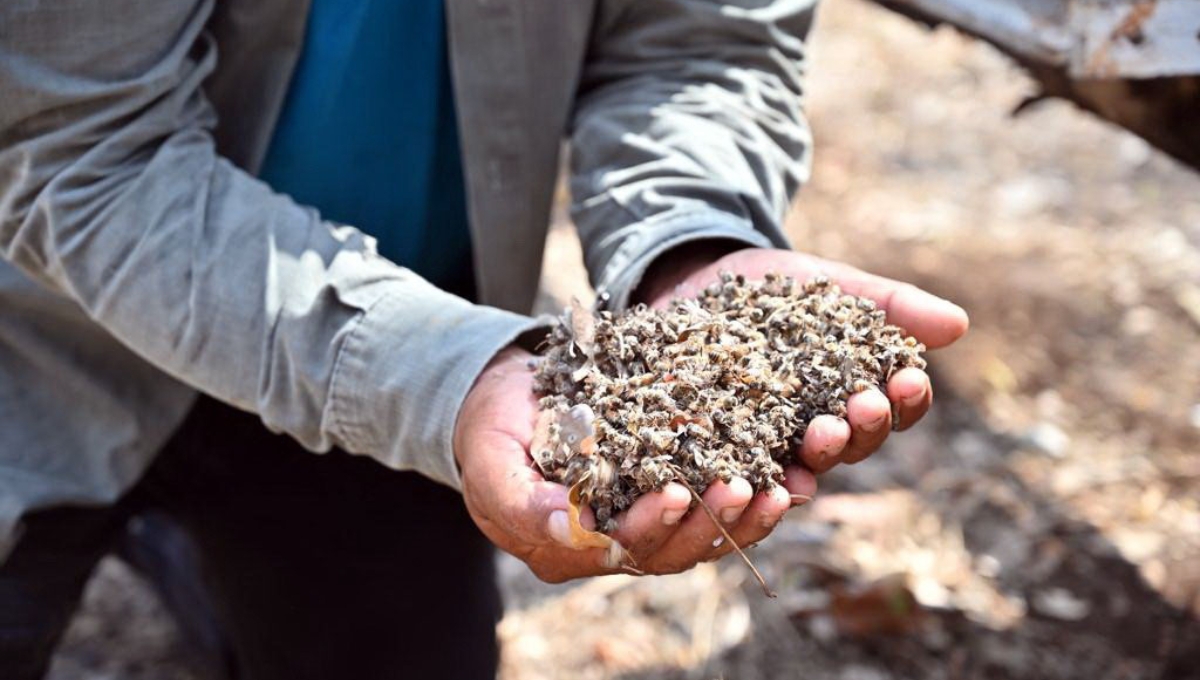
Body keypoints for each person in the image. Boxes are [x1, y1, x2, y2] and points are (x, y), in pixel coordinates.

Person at [0, 0, 969, 678]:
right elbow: (86, 153)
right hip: (48, 348)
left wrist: (692, 245)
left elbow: (696, 48)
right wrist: (443, 376)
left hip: (411, 355)